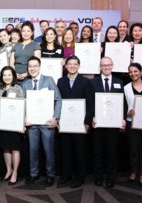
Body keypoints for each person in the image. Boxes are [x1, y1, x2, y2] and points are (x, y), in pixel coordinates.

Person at [22, 56, 62, 187]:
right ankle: (34, 174)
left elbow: (58, 99)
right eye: (30, 66)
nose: (32, 68)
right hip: (32, 124)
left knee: (48, 150)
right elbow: (23, 104)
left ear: (39, 67)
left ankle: (50, 175)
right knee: (33, 150)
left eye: (35, 66)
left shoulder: (49, 80)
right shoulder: (25, 84)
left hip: (47, 123)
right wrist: (24, 119)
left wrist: (55, 118)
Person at [57, 55, 93, 188]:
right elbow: (58, 102)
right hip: (65, 123)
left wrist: (87, 122)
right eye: (69, 64)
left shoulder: (86, 82)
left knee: (80, 151)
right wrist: (58, 119)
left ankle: (80, 177)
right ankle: (66, 175)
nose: (72, 66)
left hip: (80, 124)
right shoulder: (60, 82)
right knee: (66, 151)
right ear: (65, 66)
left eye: (74, 64)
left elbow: (90, 103)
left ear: (79, 66)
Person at [90, 57, 125, 188]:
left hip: (113, 125)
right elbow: (90, 102)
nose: (106, 67)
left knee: (112, 154)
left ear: (112, 66)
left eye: (109, 65)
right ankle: (98, 177)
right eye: (103, 65)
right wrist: (92, 117)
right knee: (97, 153)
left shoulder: (119, 82)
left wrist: (122, 118)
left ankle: (111, 178)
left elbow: (122, 103)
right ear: (100, 67)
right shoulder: (92, 82)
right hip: (98, 124)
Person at [0, 66, 24, 186]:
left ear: (13, 76)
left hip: (14, 123)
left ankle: (15, 172)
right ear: (2, 76)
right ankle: (8, 170)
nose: (7, 77)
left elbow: (22, 104)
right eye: (5, 75)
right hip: (3, 123)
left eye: (9, 75)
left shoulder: (18, 88)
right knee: (6, 148)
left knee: (15, 148)